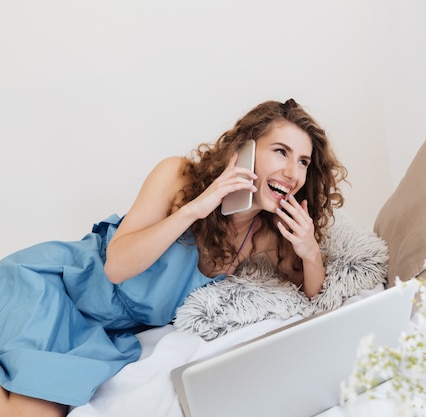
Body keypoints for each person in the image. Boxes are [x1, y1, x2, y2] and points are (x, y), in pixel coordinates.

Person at [0, 98, 348, 417]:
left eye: (303, 161)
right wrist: (196, 209)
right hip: (54, 287)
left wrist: (310, 252)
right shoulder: (178, 176)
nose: (293, 173)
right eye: (281, 152)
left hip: (102, 332)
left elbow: (312, 295)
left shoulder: (265, 233)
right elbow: (116, 267)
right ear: (245, 150)